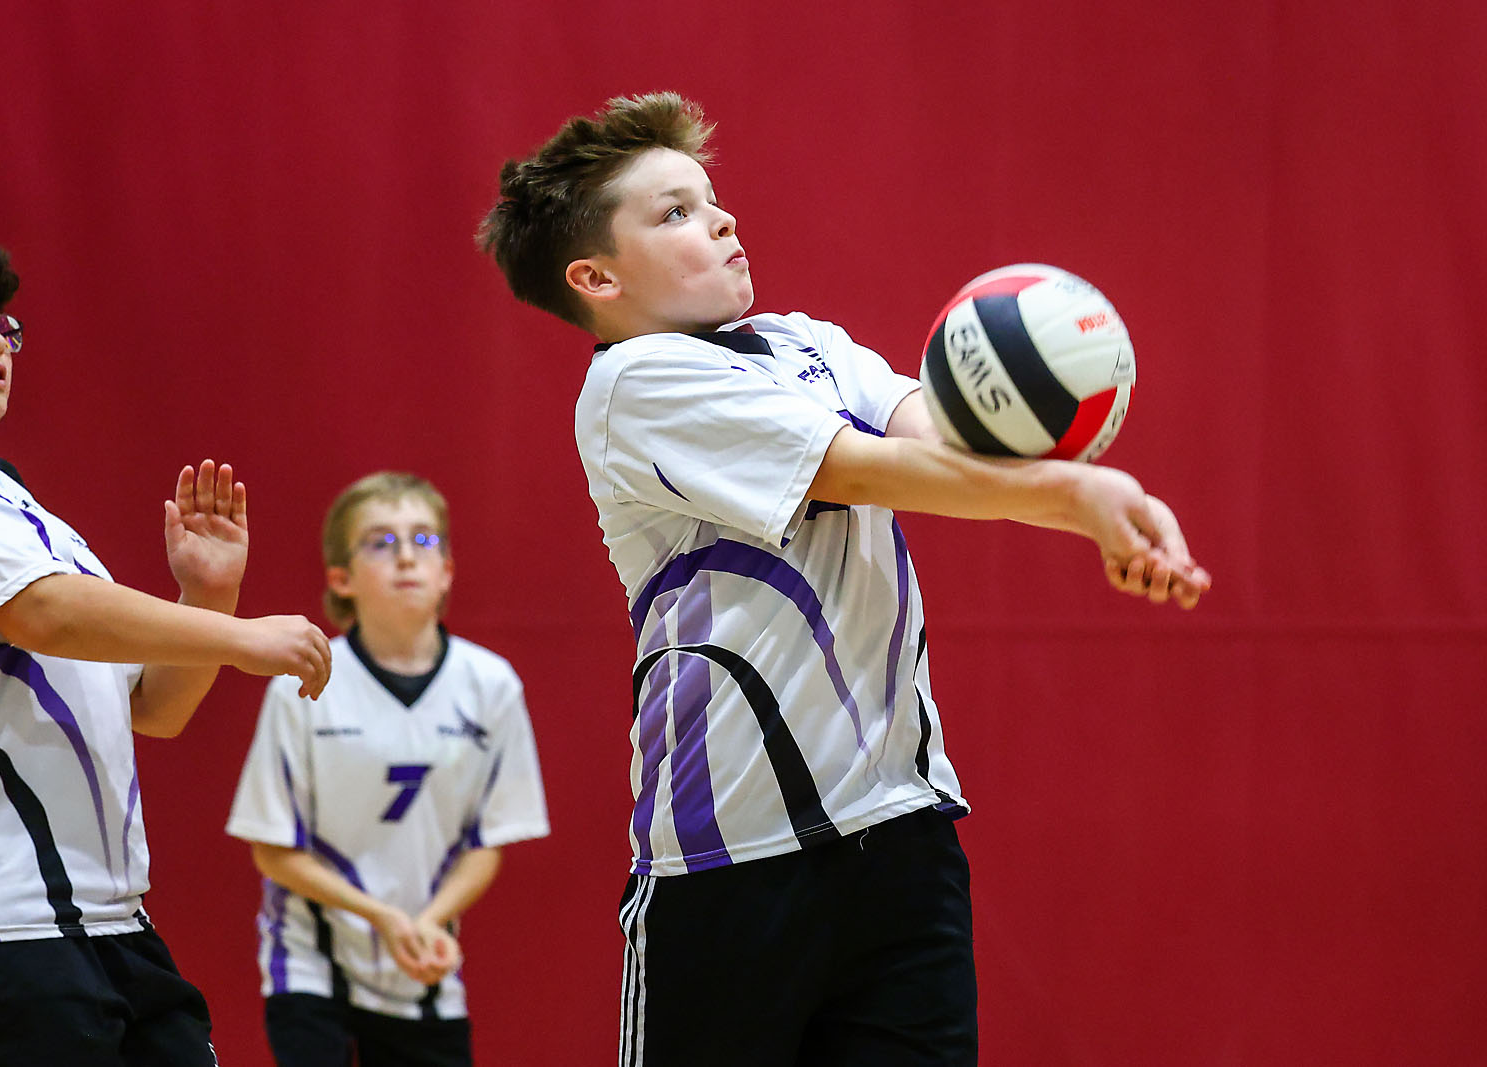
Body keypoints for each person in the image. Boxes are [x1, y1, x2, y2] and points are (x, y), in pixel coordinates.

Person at [476, 93, 1211, 1067]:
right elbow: (870, 471)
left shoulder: (807, 343)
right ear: (595, 276)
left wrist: (1090, 497)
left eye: (711, 198)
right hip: (730, 859)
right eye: (674, 212)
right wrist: (1082, 494)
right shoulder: (636, 384)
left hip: (902, 831)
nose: (720, 219)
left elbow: (943, 444)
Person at [0, 227, 333, 1067]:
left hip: (102, 919)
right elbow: (45, 615)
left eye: (1, 326)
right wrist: (238, 635)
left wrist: (206, 593)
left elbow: (154, 707)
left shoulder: (17, 511)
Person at [227, 471, 550, 1067]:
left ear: (448, 570)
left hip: (423, 965)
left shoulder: (491, 686)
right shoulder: (303, 682)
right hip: (311, 963)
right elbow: (273, 849)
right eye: (380, 541)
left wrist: (424, 922)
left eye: (424, 540)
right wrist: (379, 917)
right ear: (341, 579)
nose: (406, 556)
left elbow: (488, 842)